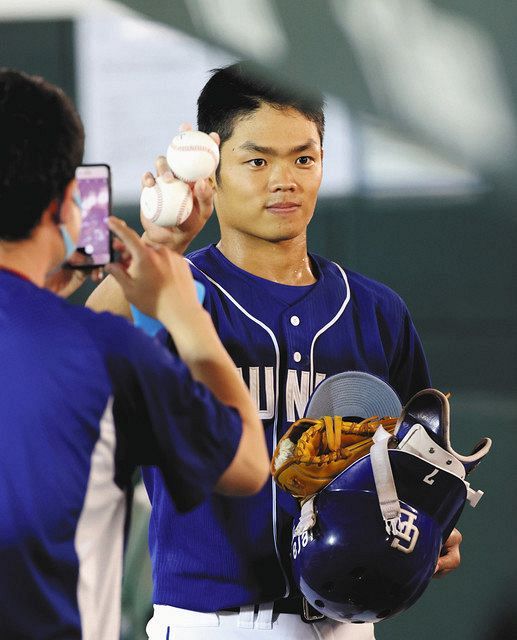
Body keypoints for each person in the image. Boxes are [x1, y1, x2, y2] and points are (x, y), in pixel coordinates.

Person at [87, 62, 462, 640]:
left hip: (348, 623)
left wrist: (433, 528)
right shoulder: (174, 290)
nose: (284, 180)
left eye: (303, 158)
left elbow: (420, 464)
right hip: (209, 622)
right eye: (258, 160)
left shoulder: (377, 312)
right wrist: (160, 245)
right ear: (212, 163)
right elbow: (82, 352)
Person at [0, 68, 269, 640]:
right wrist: (184, 314)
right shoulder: (104, 355)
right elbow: (248, 463)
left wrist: (158, 246)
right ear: (64, 204)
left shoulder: (89, 348)